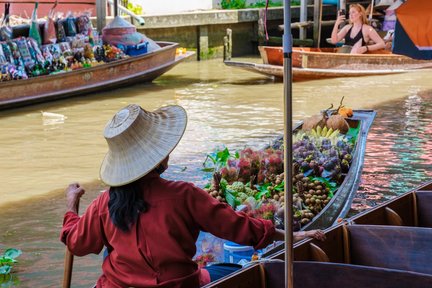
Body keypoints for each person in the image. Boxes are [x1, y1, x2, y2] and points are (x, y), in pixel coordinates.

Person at [60, 104, 326, 288]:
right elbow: (239, 228)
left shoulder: (104, 203)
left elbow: (77, 243)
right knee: (237, 272)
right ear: (157, 159)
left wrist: (71, 204)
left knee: (110, 258)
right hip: (179, 284)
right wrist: (291, 236)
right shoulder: (183, 195)